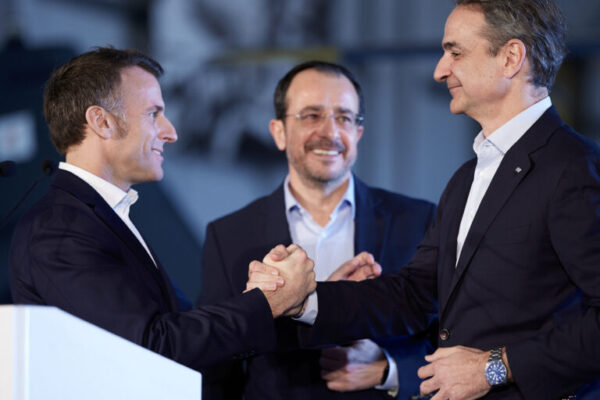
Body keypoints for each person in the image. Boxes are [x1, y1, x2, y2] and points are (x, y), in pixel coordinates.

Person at [252, 1, 600, 399]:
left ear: (510, 58)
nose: (440, 70)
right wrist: (302, 298)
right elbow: (415, 294)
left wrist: (495, 367)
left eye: (455, 52)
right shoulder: (466, 178)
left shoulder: (574, 168)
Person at [9, 46, 316, 372]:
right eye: (153, 114)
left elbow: (180, 327)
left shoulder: (98, 218)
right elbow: (150, 349)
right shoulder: (59, 230)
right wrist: (265, 303)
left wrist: (267, 293)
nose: (171, 132)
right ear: (102, 122)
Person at [199, 61, 436, 399]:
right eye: (311, 116)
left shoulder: (417, 220)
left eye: (344, 117)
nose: (330, 132)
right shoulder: (229, 236)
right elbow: (218, 358)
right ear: (279, 132)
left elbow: (449, 336)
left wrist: (389, 368)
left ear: (358, 133)